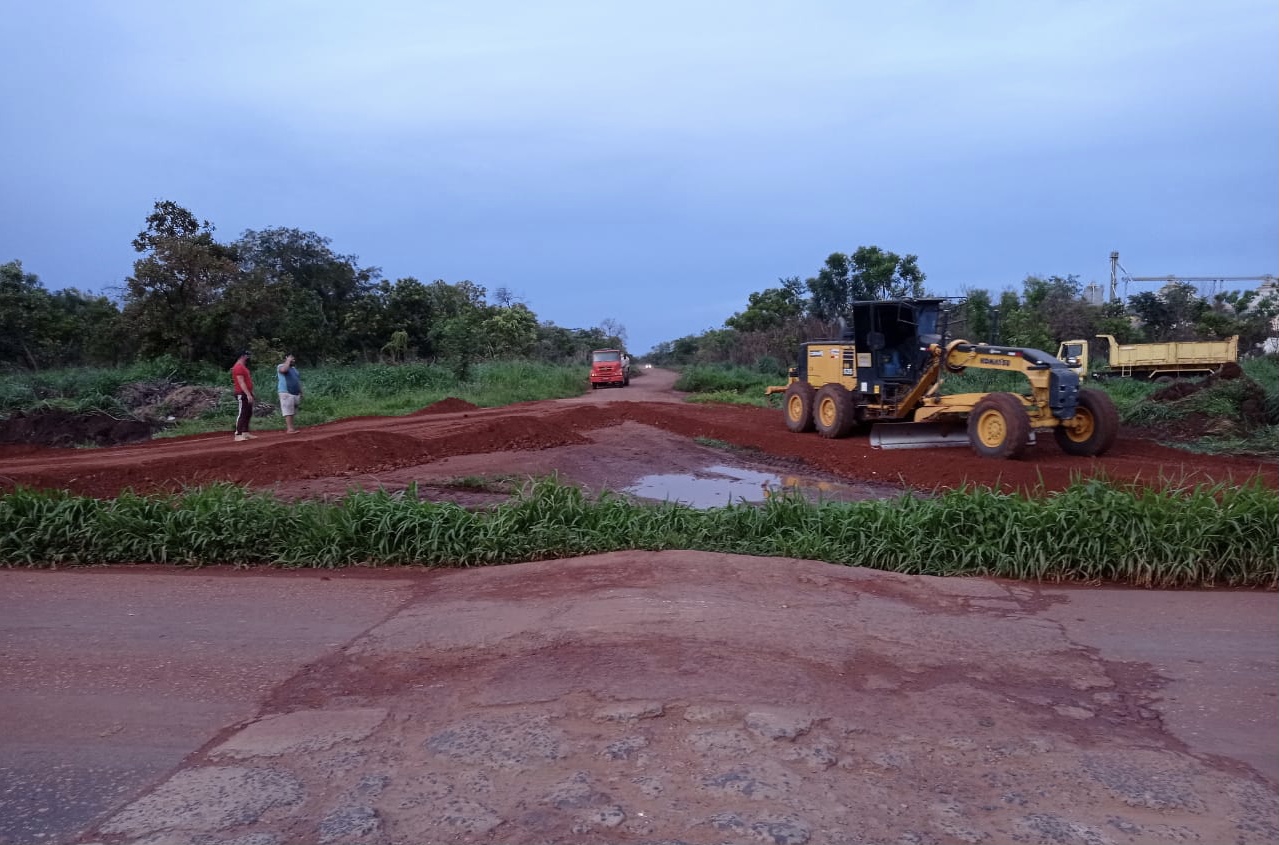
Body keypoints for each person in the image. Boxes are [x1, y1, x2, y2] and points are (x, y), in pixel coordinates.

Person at [230, 351, 256, 442]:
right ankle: (238, 434)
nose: (248, 358)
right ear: (242, 356)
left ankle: (245, 432)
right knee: (242, 413)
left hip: (247, 392)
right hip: (242, 393)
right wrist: (248, 394)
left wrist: (250, 393)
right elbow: (241, 382)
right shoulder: (238, 367)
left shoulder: (242, 367)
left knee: (248, 413)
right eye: (246, 356)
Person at [277, 353, 303, 433]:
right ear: (286, 358)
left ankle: (291, 427)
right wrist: (288, 361)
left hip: (295, 392)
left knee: (293, 410)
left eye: (293, 359)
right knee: (288, 410)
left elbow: (297, 381)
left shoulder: (294, 369)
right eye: (292, 359)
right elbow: (284, 370)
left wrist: (301, 391)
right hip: (286, 392)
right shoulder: (281, 366)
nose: (293, 360)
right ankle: (290, 428)